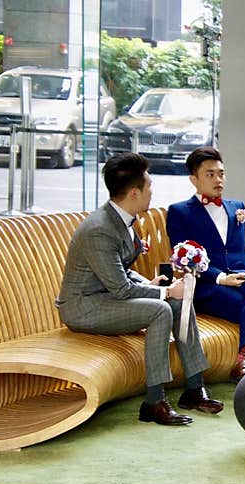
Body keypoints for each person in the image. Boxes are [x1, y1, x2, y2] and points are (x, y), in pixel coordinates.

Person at [55, 152, 222, 426]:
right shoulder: (99, 229)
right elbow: (120, 288)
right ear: (134, 193)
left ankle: (195, 387)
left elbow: (120, 271)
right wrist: (166, 293)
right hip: (84, 307)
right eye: (149, 185)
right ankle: (154, 402)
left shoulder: (122, 218)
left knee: (180, 303)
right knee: (160, 309)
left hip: (108, 297)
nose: (152, 190)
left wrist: (150, 284)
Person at [166, 147, 245, 382]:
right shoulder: (179, 212)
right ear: (193, 179)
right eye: (210, 174)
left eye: (221, 173)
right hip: (207, 287)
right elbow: (184, 259)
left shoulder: (238, 207)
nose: (218, 179)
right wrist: (220, 278)